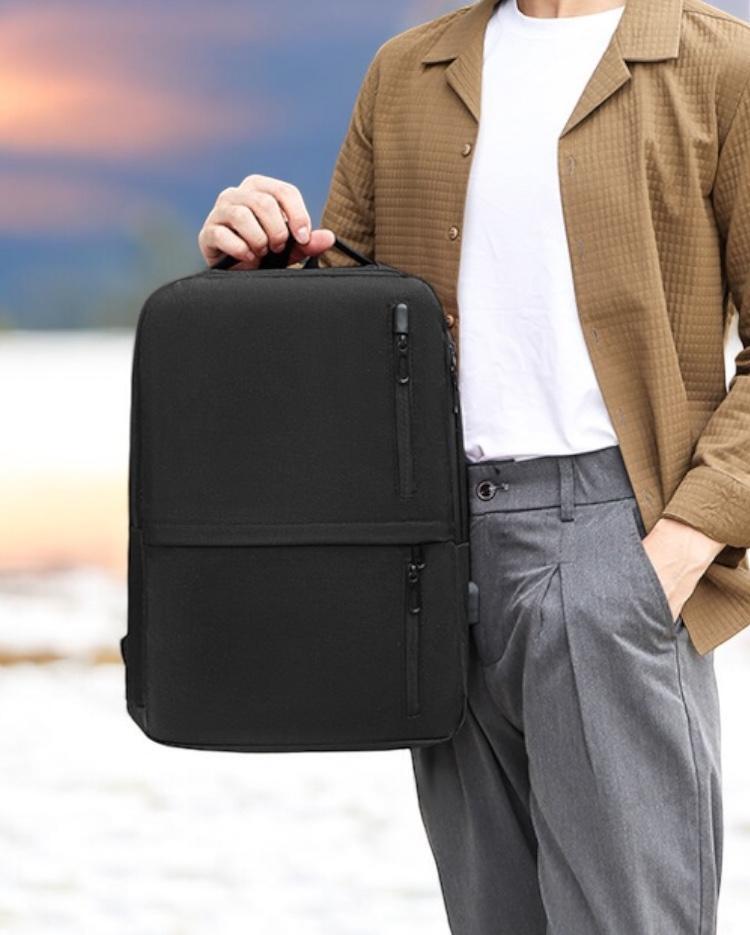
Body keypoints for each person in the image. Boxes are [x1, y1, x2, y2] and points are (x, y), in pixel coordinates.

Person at [198, 0, 750, 930]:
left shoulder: (722, 66)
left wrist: (673, 554)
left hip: (620, 545)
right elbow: (351, 325)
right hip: (439, 564)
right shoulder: (405, 71)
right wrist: (257, 264)